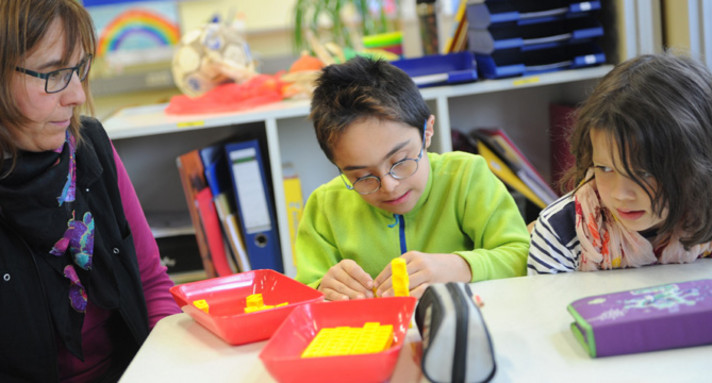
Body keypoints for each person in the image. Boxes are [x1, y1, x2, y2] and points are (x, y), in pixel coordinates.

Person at [0, 1, 181, 381]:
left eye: (79, 69)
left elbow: (151, 283)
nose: (77, 95)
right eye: (52, 74)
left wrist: (166, 370)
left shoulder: (90, 146)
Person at [295, 56, 530, 300]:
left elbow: (522, 256)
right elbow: (302, 294)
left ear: (427, 131)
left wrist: (459, 267)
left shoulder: (466, 177)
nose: (389, 185)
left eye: (400, 161)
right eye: (362, 176)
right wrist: (322, 289)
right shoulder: (324, 208)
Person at [528, 53, 712, 274]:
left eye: (643, 173)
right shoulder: (561, 233)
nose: (620, 194)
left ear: (696, 166)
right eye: (605, 168)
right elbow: (550, 308)